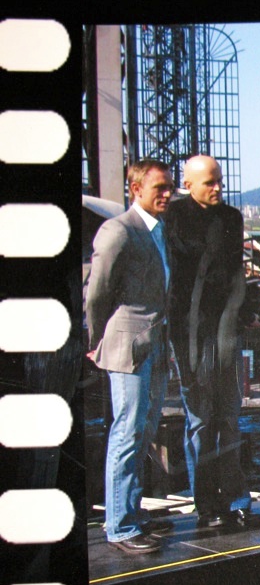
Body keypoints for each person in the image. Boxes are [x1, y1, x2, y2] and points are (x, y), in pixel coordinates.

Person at [165, 155, 260, 530]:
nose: (218, 188)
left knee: (229, 419)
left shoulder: (231, 218)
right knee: (201, 423)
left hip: (225, 332)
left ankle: (237, 502)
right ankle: (207, 507)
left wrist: (245, 311)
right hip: (191, 333)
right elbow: (179, 279)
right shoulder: (173, 218)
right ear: (188, 184)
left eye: (219, 180)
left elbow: (234, 271)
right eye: (209, 182)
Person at [85, 160, 175, 554]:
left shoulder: (159, 231)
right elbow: (97, 293)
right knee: (127, 432)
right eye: (159, 188)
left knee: (143, 430)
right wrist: (96, 340)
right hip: (129, 346)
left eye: (170, 186)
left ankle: (132, 514)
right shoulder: (119, 230)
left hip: (155, 343)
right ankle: (120, 526)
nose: (167, 194)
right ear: (136, 189)